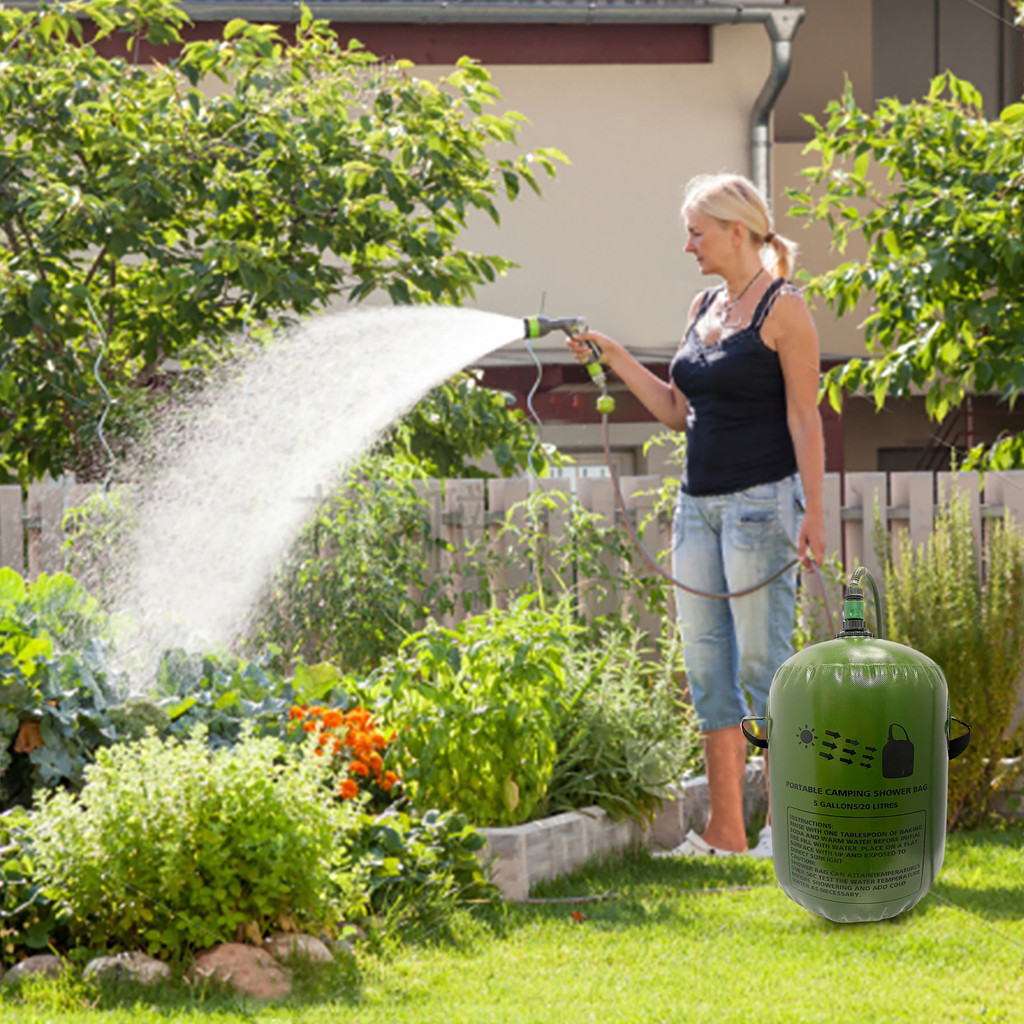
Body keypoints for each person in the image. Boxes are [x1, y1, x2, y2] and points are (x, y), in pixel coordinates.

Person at [567, 173, 826, 858]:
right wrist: (616, 355)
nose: (689, 245)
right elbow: (678, 412)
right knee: (708, 668)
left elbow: (805, 419)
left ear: (736, 231)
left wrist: (814, 513)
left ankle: (789, 829)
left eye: (697, 232)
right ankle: (725, 832)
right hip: (697, 509)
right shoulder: (703, 305)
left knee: (767, 667)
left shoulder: (784, 309)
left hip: (759, 506)